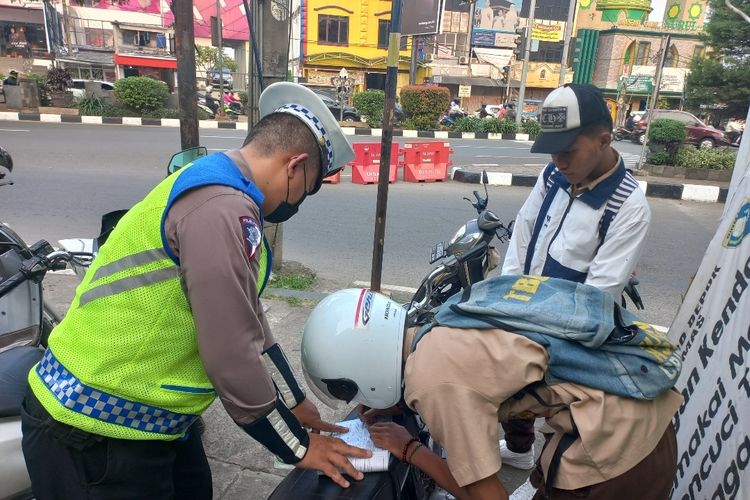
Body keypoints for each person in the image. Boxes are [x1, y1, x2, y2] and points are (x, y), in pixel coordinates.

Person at [21, 82, 372, 499]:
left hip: (151, 423)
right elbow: (230, 350)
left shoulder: (215, 180)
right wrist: (297, 445)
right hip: (90, 426)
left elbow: (247, 315)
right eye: (307, 189)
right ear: (293, 165)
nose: (297, 202)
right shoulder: (221, 207)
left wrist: (294, 403)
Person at [301, 277, 682, 500]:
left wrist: (409, 448)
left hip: (618, 456)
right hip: (638, 410)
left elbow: (488, 497)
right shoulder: (446, 315)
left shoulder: (433, 380)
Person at [499, 83, 651, 469]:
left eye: (569, 151)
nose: (558, 160)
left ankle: (544, 479)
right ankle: (519, 449)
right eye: (552, 150)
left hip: (573, 332)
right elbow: (525, 230)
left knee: (560, 410)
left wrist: (545, 336)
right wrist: (507, 296)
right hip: (523, 306)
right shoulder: (553, 174)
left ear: (603, 139)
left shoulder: (628, 205)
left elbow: (600, 291)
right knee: (512, 388)